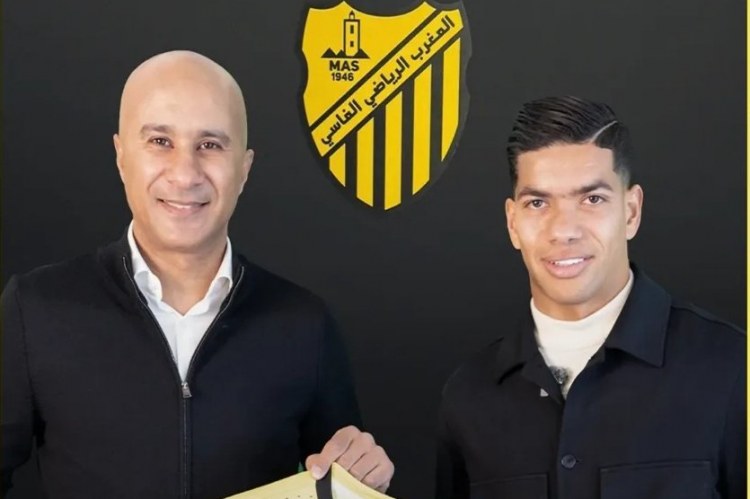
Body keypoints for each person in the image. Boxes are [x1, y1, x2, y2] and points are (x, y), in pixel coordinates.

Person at [1, 50, 393, 498]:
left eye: (210, 145)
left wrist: (366, 483)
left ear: (243, 169)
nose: (185, 174)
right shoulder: (35, 310)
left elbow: (341, 484)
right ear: (122, 156)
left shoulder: (305, 325)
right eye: (160, 141)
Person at [436, 96, 746, 499]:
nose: (563, 230)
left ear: (631, 211)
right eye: (537, 203)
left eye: (592, 199)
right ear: (513, 223)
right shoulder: (469, 395)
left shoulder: (732, 369)